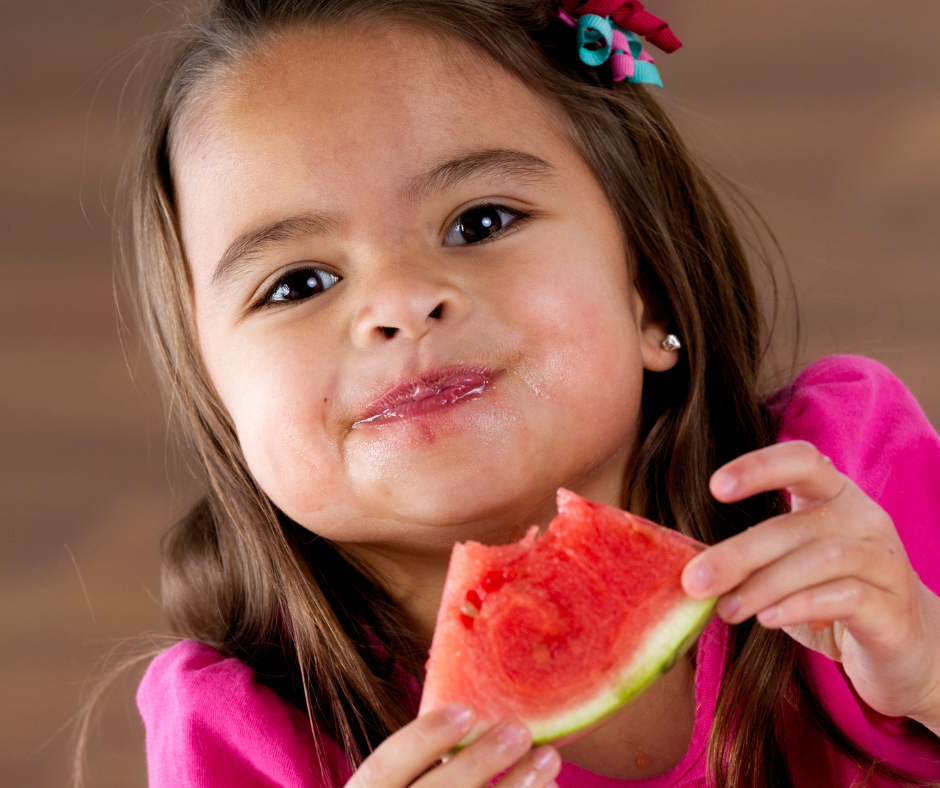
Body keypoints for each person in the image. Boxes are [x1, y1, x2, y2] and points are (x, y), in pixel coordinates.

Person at [124, 1, 940, 785]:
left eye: (479, 222)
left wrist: (930, 675)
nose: (400, 302)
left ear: (649, 291)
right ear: (222, 404)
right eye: (298, 283)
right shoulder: (243, 731)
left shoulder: (841, 496)